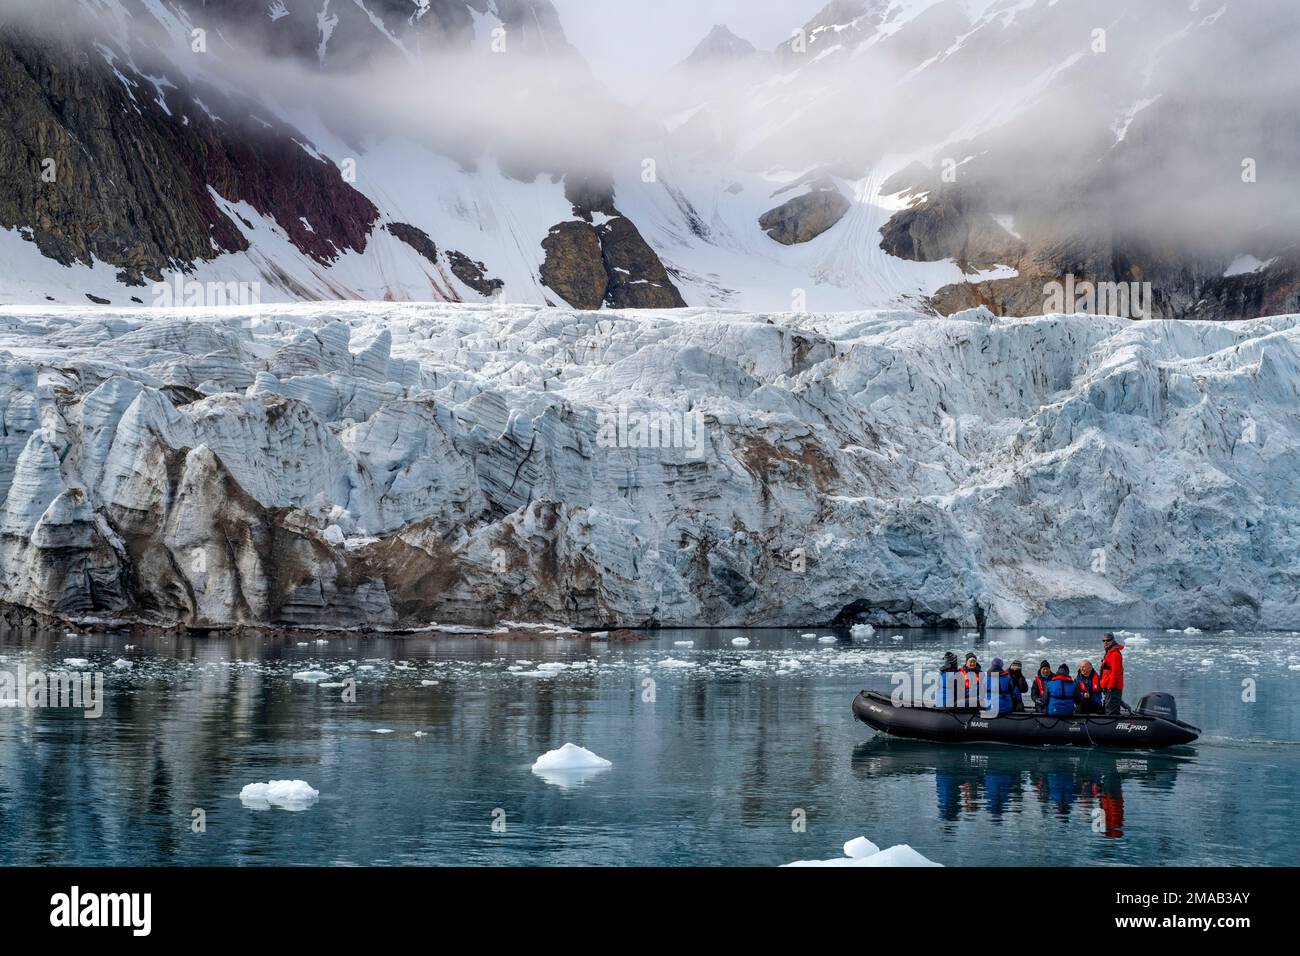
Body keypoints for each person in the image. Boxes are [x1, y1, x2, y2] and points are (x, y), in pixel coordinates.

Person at [1099, 633, 1125, 715]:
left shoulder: (1115, 654)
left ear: (1113, 641)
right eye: (1104, 641)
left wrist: (1110, 686)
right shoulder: (1109, 653)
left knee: (1111, 711)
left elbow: (1116, 673)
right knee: (1109, 708)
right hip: (1109, 688)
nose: (1105, 642)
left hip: (1113, 688)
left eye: (1108, 640)